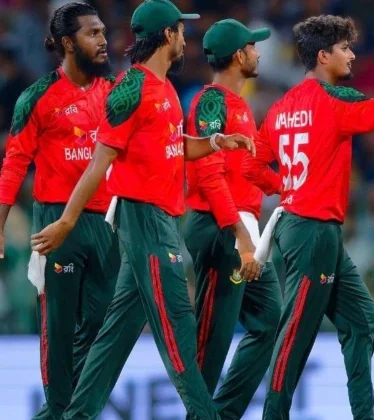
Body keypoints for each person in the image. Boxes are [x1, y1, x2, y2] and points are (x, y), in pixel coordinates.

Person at [30, 1, 257, 418]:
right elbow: (99, 162)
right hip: (144, 219)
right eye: (181, 31)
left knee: (115, 336)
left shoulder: (164, 87)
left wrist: (216, 142)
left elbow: (172, 146)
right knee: (178, 329)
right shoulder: (130, 88)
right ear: (168, 35)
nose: (186, 39)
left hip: (161, 220)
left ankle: (75, 415)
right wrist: (66, 221)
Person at [242, 14, 374, 419]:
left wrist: (285, 188)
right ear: (323, 55)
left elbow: (250, 165)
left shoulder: (280, 108)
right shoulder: (335, 101)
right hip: (312, 231)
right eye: (345, 48)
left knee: (362, 320)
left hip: (307, 228)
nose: (352, 55)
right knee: (295, 336)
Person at [0, 3, 119, 418]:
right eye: (92, 33)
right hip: (55, 223)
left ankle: (66, 411)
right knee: (58, 327)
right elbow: (15, 161)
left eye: (103, 31)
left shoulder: (115, 92)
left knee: (103, 323)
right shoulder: (37, 97)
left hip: (107, 220)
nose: (103, 40)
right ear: (68, 43)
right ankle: (59, 408)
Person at [183, 18, 282, 420]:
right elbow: (209, 176)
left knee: (269, 318)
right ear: (239, 56)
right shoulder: (212, 103)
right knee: (212, 340)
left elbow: (247, 171)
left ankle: (220, 415)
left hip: (241, 227)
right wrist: (240, 235)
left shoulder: (238, 105)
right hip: (221, 228)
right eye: (253, 47)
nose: (258, 53)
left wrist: (289, 188)